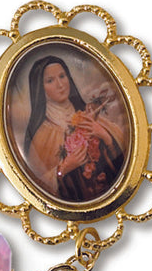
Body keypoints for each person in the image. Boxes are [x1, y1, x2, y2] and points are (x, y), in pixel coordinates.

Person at [23, 55, 126, 202]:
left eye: (62, 76)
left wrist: (105, 136)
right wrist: (63, 168)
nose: (60, 85)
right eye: (50, 81)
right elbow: (39, 185)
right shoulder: (41, 136)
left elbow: (122, 158)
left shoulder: (89, 117)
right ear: (40, 89)